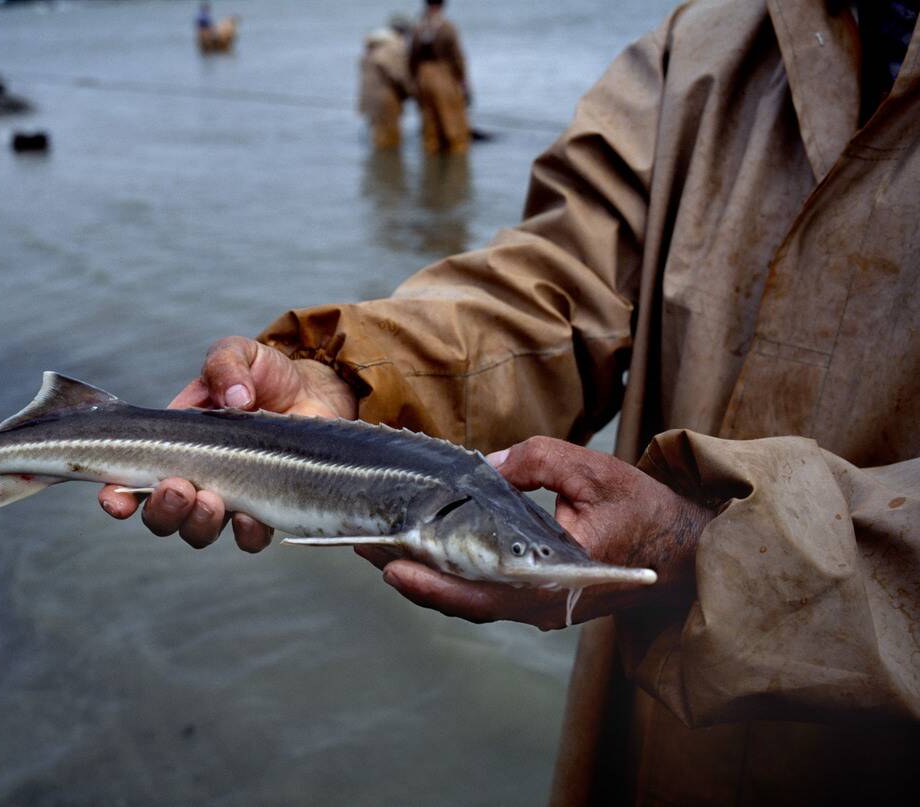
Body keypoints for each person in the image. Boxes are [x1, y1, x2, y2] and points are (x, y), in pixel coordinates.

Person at [103, 0, 920, 802]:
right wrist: (350, 374)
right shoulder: (708, 39)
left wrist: (726, 549)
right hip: (650, 736)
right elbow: (557, 282)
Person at [408, 0, 470, 153]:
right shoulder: (447, 27)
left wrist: (413, 80)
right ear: (441, 6)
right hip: (444, 75)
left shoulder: (418, 27)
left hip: (422, 76)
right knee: (452, 123)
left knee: (429, 125)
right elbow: (457, 56)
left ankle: (431, 160)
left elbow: (411, 58)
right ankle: (455, 161)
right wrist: (463, 81)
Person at [357, 15, 414, 150]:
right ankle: (388, 162)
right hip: (386, 99)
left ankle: (379, 161)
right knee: (389, 140)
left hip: (370, 98)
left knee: (378, 135)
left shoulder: (374, 46)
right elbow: (398, 75)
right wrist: (412, 92)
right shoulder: (394, 47)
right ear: (403, 32)